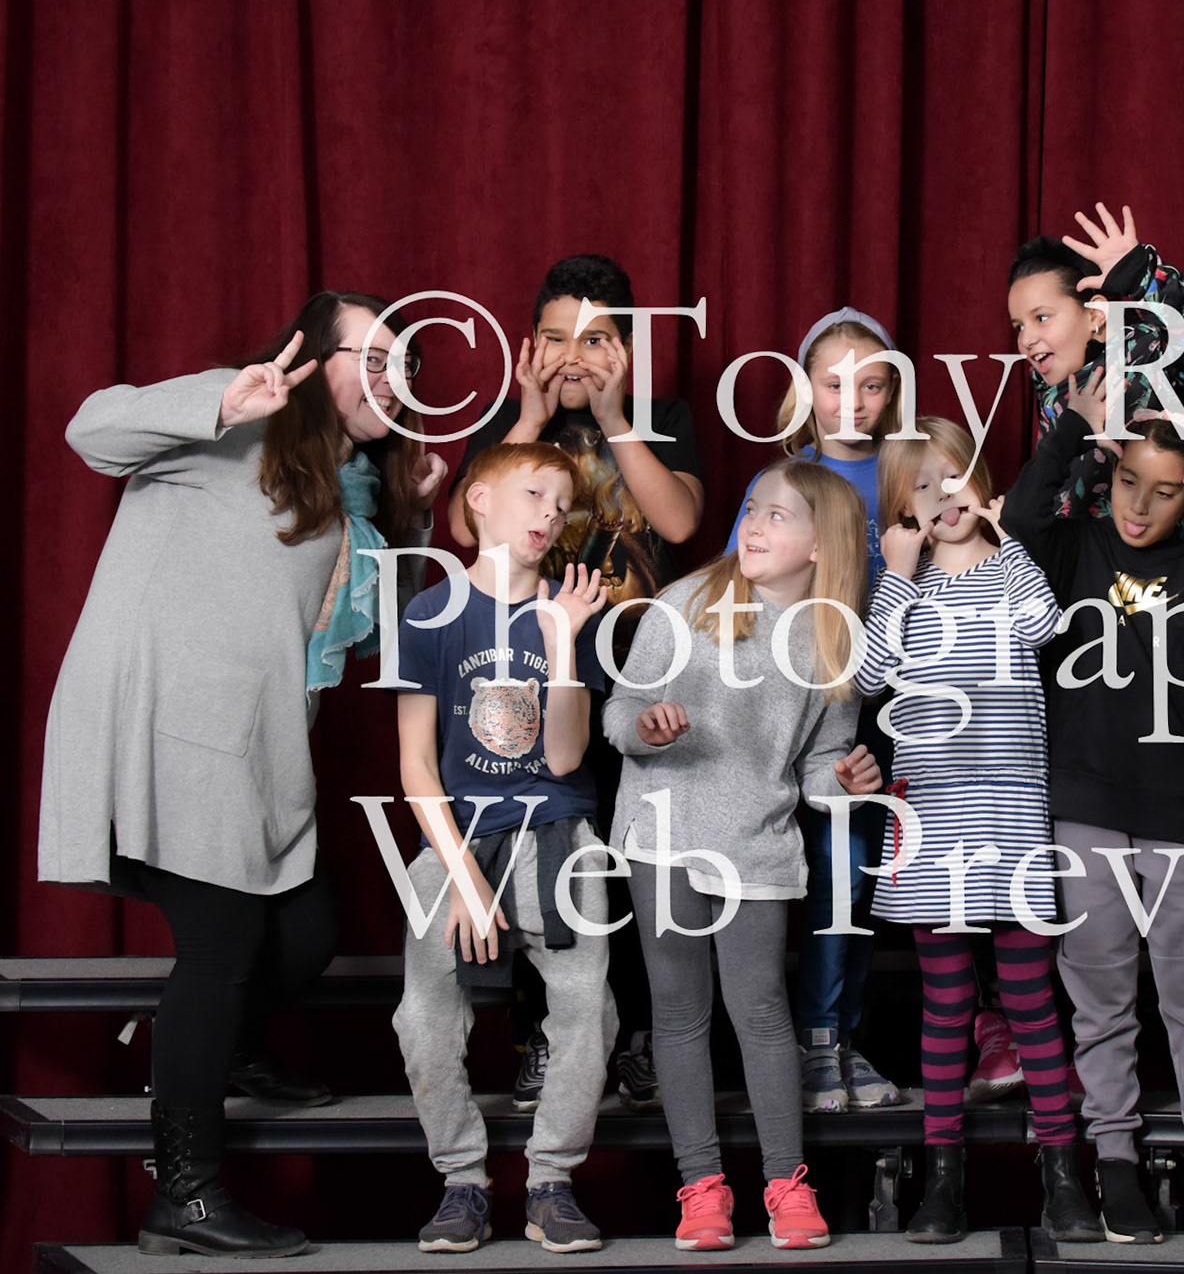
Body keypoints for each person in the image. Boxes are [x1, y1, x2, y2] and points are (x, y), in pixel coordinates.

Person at [39, 291, 442, 1257]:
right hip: (165, 728)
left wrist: (419, 516)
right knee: (221, 945)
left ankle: (213, 1045)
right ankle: (185, 1195)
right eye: (371, 358)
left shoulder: (353, 490)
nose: (393, 381)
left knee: (308, 932)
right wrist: (224, 400)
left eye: (405, 367)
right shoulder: (235, 422)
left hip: (257, 750)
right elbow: (90, 429)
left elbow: (382, 634)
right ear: (310, 356)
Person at [448, 253, 706, 1116]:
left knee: (631, 864)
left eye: (595, 340)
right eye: (555, 338)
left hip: (637, 677)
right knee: (541, 859)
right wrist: (527, 417)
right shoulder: (512, 425)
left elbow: (678, 521)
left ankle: (638, 1040)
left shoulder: (662, 419)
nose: (572, 356)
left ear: (626, 349)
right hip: (530, 675)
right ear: (530, 345)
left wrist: (613, 417)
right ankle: (543, 1040)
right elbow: (464, 530)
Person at [1004, 398, 1184, 1247]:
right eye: (1128, 482)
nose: (1140, 505)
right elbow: (1021, 517)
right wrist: (1073, 428)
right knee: (1102, 996)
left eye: (1166, 491)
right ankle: (1115, 1161)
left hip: (1179, 806)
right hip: (1084, 802)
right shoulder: (1075, 548)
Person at [609, 459, 882, 1251]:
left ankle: (787, 1186)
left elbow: (817, 768)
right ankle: (701, 1188)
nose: (754, 525)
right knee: (678, 1012)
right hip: (663, 831)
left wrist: (844, 782)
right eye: (753, 509)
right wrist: (645, 729)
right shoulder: (684, 602)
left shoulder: (832, 640)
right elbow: (620, 713)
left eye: (777, 516)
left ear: (822, 547)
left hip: (756, 842)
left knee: (762, 1013)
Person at [853, 418, 1098, 1244]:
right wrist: (895, 574)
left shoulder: (1008, 568)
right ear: (901, 507)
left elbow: (1043, 625)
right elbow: (870, 674)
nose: (941, 496)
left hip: (1011, 813)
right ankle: (942, 1179)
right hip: (933, 816)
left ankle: (1064, 1175)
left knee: (1030, 1001)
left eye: (953, 477)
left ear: (981, 483)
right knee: (948, 1004)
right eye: (920, 487)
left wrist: (1007, 538)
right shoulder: (905, 584)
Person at [392, 443, 617, 1254]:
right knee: (422, 1013)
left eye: (561, 503)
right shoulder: (430, 613)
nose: (550, 513)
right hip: (460, 835)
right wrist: (461, 878)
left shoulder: (572, 610)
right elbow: (417, 766)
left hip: (558, 835)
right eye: (533, 493)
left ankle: (552, 1182)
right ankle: (462, 1183)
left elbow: (564, 755)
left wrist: (562, 641)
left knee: (588, 1006)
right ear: (480, 500)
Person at [725, 308, 907, 1113]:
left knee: (848, 877)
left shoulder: (908, 473)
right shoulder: (783, 482)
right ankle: (781, 1045)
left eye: (871, 386)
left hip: (880, 708)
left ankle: (831, 1040)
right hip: (789, 701)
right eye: (833, 384)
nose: (851, 402)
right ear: (804, 389)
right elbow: (740, 585)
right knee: (774, 876)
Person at [1007, 201, 1184, 517]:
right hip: (1074, 547)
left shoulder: (1150, 354)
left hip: (1155, 545)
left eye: (1042, 318)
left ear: (1096, 315)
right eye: (1019, 326)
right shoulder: (1051, 391)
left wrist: (1140, 274)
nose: (1026, 339)